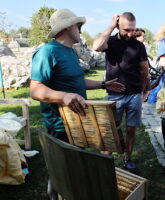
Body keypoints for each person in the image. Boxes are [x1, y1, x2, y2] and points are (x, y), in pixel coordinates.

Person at [30, 9, 125, 200]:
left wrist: (103, 84)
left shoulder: (70, 52)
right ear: (66, 27)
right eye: (78, 26)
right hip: (59, 127)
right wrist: (64, 97)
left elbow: (77, 81)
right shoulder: (47, 52)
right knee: (61, 176)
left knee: (74, 173)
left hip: (77, 124)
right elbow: (35, 90)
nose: (81, 30)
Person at [93, 12, 150, 172]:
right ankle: (105, 160)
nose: (130, 34)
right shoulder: (109, 42)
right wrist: (111, 26)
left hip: (134, 95)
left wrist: (146, 86)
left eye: (132, 30)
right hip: (114, 95)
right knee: (111, 129)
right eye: (126, 30)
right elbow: (96, 46)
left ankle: (128, 159)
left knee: (131, 129)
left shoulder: (138, 46)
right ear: (118, 26)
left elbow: (144, 68)